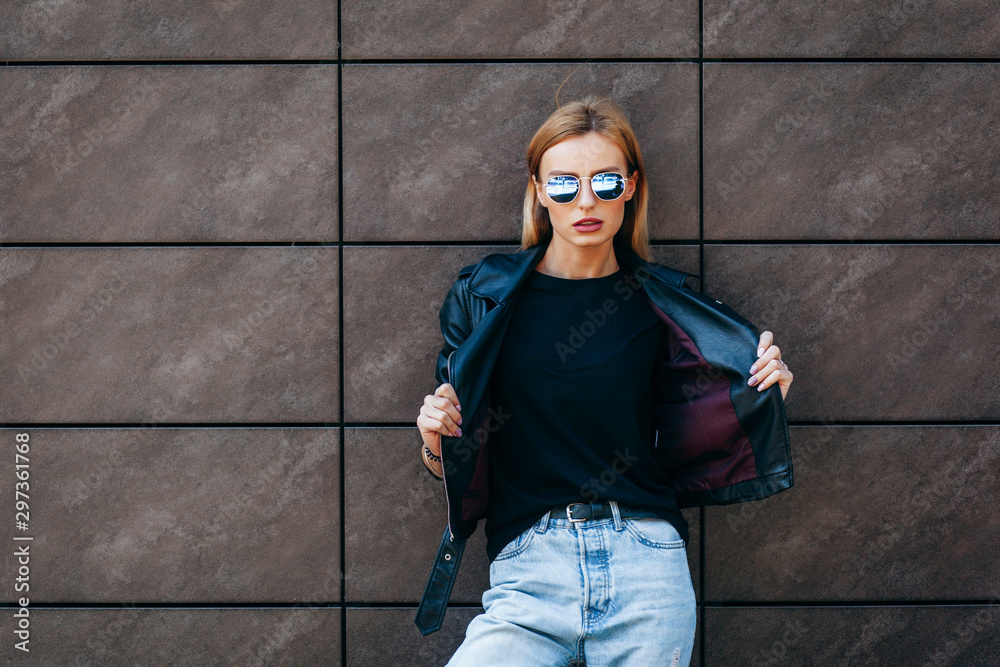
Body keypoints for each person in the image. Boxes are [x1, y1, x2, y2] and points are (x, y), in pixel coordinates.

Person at [414, 95, 794, 666]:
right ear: (540, 191)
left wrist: (761, 395)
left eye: (605, 181)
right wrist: (433, 437)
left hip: (647, 567)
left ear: (631, 186)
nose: (585, 200)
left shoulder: (669, 306)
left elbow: (696, 428)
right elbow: (455, 458)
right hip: (528, 571)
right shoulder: (483, 298)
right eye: (564, 183)